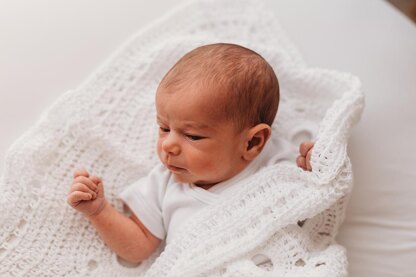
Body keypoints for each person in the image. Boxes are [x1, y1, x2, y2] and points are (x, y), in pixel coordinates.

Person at [67, 43, 314, 263]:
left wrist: (315, 164)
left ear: (252, 143)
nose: (168, 146)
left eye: (193, 136)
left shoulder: (276, 164)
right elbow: (137, 247)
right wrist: (99, 211)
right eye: (164, 128)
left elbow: (314, 196)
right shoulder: (162, 184)